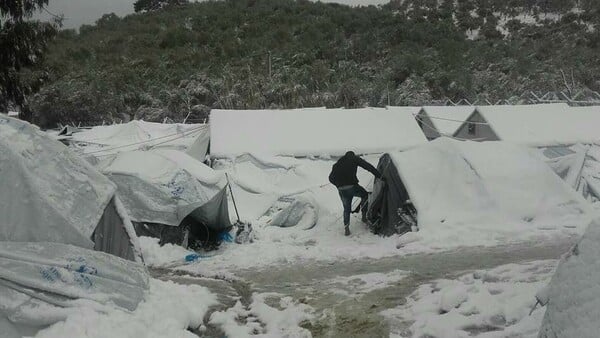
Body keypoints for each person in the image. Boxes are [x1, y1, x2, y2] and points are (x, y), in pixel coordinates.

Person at [329, 151, 383, 236]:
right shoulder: (354, 159)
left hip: (341, 190)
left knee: (346, 208)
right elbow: (368, 167)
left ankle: (346, 228)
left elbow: (331, 178)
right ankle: (364, 216)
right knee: (365, 195)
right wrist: (379, 176)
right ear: (353, 155)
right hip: (352, 187)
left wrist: (338, 185)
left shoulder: (337, 163)